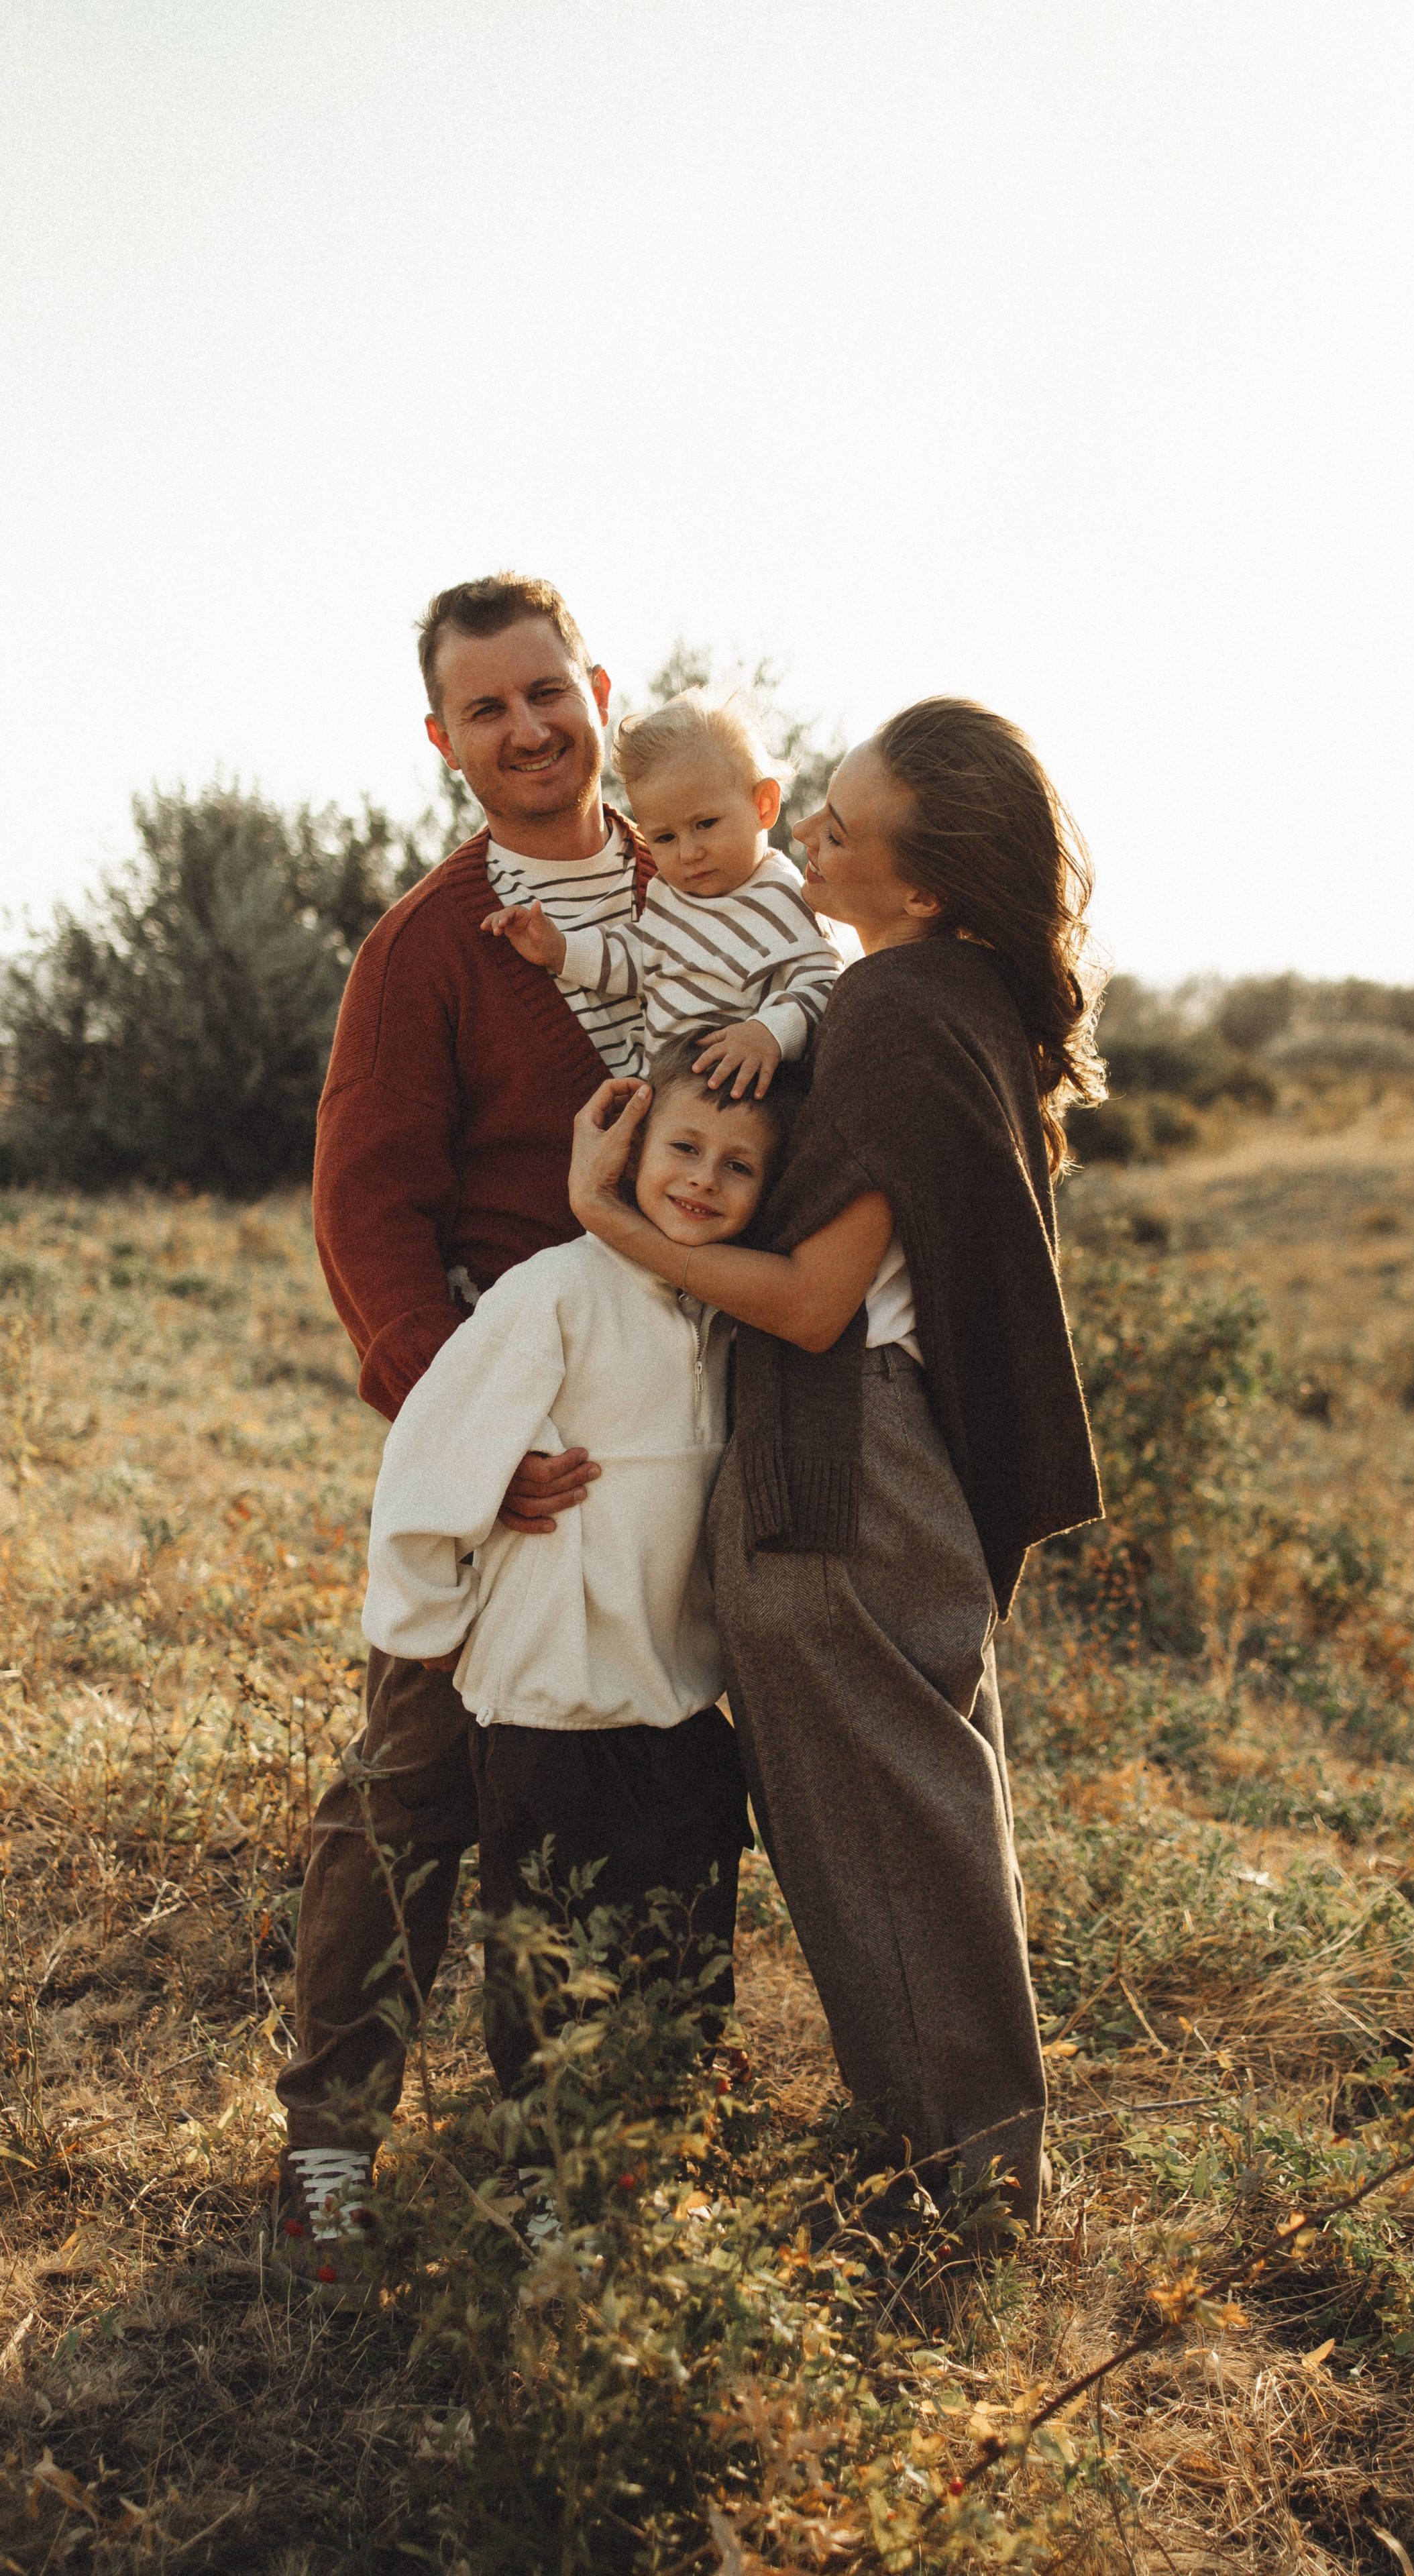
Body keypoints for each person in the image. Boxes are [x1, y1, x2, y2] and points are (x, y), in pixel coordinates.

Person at [567, 696, 1103, 2233]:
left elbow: (806, 1301)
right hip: (901, 1457)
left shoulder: (885, 1010)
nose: (806, 834)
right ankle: (959, 2171)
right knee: (923, 1818)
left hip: (834, 1461)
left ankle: (960, 2197)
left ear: (920, 887)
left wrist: (611, 1215)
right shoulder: (961, 1005)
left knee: (875, 1829)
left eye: (839, 827)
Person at [272, 572, 631, 2294]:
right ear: (442, 743)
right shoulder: (423, 948)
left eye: (545, 691)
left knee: (602, 1793)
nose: (528, 727)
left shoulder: (700, 893)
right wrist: (467, 1439)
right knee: (416, 1784)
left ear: (600, 691)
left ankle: (566, 2150)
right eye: (486, 708)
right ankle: (329, 2150)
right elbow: (367, 1213)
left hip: (672, 1427)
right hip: (495, 1424)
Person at [361, 1044, 795, 2214]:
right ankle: (553, 2173)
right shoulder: (555, 1290)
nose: (703, 1182)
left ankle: (664, 2153)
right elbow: (431, 1457)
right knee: (549, 1949)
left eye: (740, 1166)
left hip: (675, 1698)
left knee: (686, 1935)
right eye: (684, 1150)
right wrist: (436, 1626)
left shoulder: (727, 1309)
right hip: (551, 1694)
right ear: (629, 1149)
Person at [482, 686, 838, 1099]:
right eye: (665, 837)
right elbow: (634, 956)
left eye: (706, 824)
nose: (689, 853)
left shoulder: (783, 894)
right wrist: (558, 949)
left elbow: (823, 983)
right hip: (668, 1097)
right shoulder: (668, 896)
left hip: (745, 1100)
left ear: (763, 805)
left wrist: (769, 1033)